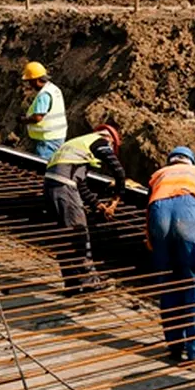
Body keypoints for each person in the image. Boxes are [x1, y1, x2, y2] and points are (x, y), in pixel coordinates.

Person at [146, 146, 195, 363]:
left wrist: (153, 243)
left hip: (159, 217)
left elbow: (149, 211)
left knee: (169, 283)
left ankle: (174, 347)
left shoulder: (158, 175)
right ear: (190, 161)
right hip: (188, 213)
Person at [43, 123, 126, 297]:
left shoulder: (76, 145)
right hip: (65, 188)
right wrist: (116, 199)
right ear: (110, 140)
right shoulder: (100, 142)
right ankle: (90, 282)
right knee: (79, 236)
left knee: (65, 237)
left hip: (52, 187)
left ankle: (72, 284)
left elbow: (80, 185)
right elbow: (118, 171)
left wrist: (96, 204)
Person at [18, 61, 68, 160]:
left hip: (47, 139)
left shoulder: (44, 95)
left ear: (36, 80)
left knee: (42, 168)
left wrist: (23, 120)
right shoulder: (54, 89)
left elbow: (37, 117)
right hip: (57, 136)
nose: (29, 84)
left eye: (30, 81)